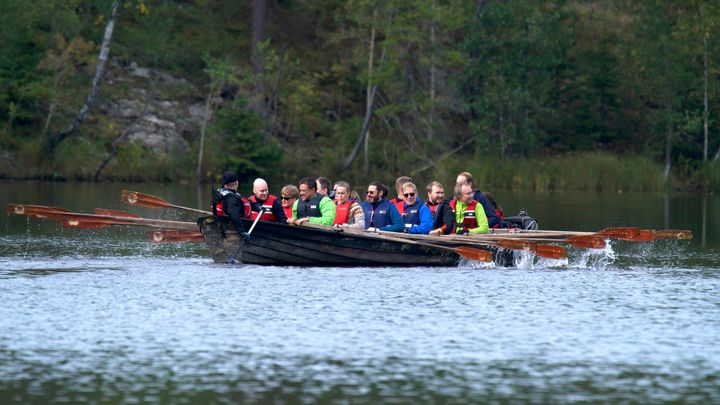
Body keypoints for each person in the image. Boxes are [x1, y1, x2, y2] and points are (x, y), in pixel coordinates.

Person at [211, 171, 251, 238]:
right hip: (229, 226)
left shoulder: (219, 193)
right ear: (236, 183)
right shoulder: (231, 198)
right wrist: (241, 231)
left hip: (219, 223)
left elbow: (243, 202)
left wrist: (255, 206)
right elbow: (232, 212)